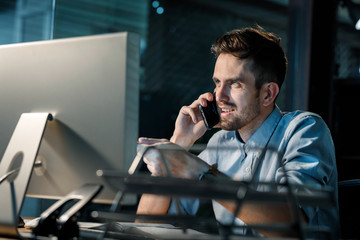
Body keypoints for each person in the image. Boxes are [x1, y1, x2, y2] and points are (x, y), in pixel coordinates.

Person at [135, 26, 339, 238]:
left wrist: (203, 174)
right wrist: (178, 145)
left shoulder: (304, 130)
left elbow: (292, 228)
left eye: (235, 84)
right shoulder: (219, 143)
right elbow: (147, 224)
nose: (219, 96)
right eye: (217, 82)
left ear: (268, 94)